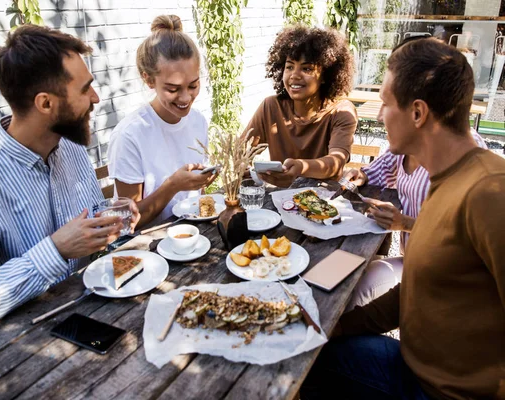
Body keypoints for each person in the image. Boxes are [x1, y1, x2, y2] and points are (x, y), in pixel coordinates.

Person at [302, 38, 505, 399]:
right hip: (411, 365)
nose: (379, 115)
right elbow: (412, 294)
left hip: (443, 392)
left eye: (385, 102)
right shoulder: (444, 180)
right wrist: (329, 328)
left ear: (417, 113)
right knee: (308, 356)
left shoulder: (489, 193)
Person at [0, 25, 139, 340]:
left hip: (94, 314)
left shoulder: (70, 147)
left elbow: (90, 228)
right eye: (85, 89)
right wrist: (56, 250)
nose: (96, 97)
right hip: (24, 347)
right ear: (45, 104)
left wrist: (111, 223)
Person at [343, 129, 487, 310]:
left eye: (387, 105)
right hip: (412, 260)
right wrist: (362, 176)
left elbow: (470, 232)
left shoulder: (465, 148)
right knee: (351, 285)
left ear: (417, 107)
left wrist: (405, 224)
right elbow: (381, 169)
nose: (380, 116)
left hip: (452, 274)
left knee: (358, 292)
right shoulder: (407, 138)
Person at [107, 15, 216, 227]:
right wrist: (173, 186)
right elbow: (127, 221)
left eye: (193, 86)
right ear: (148, 79)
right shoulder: (129, 135)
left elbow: (198, 196)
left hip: (191, 235)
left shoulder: (198, 121)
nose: (185, 98)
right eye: (172, 89)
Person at [244, 25, 357, 188]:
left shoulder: (341, 112)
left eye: (307, 69)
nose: (294, 75)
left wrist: (301, 168)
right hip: (279, 200)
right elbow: (241, 151)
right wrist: (246, 170)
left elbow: (336, 162)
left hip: (323, 204)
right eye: (289, 67)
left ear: (325, 75)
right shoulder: (271, 106)